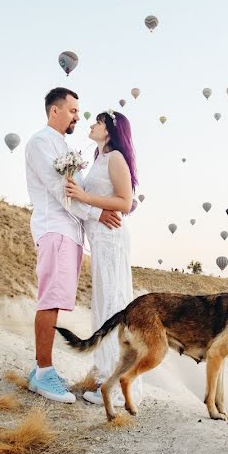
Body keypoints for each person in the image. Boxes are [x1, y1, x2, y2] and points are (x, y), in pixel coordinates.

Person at [24, 88, 122, 404]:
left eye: (78, 112)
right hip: (56, 229)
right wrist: (98, 212)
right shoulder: (41, 143)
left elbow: (77, 189)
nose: (78, 117)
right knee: (50, 300)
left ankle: (42, 370)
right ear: (55, 111)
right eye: (73, 110)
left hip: (71, 234)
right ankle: (42, 373)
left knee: (56, 299)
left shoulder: (62, 146)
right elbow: (61, 192)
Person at [64, 109, 142, 406]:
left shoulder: (116, 158)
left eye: (98, 122)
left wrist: (85, 197)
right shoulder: (98, 158)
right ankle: (104, 373)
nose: (92, 125)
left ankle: (116, 383)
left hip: (111, 239)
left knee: (113, 304)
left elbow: (124, 202)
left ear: (109, 129)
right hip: (99, 239)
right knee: (102, 305)